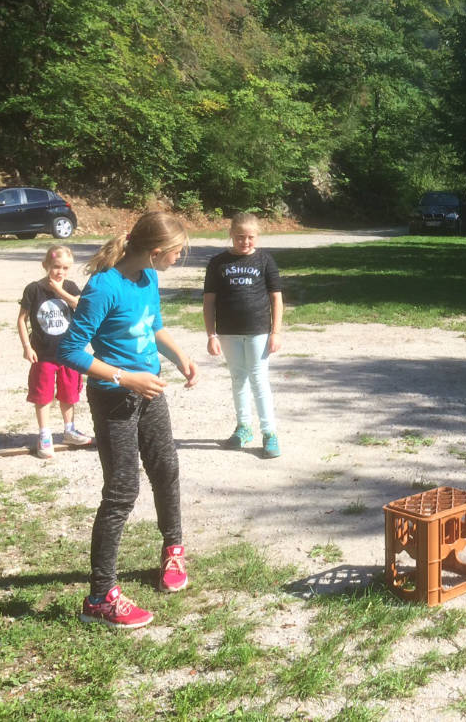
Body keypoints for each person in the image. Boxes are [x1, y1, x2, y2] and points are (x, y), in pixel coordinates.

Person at [58, 212, 198, 629]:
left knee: (166, 469)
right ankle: (99, 598)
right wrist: (124, 377)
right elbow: (70, 350)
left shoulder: (148, 277)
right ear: (155, 251)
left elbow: (154, 327)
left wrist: (180, 356)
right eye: (176, 252)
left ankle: (173, 550)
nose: (178, 258)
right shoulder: (104, 287)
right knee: (121, 492)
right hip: (114, 399)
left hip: (149, 392)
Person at [203, 213, 284, 457]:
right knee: (238, 378)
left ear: (257, 236)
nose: (245, 242)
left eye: (250, 237)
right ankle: (244, 427)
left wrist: (276, 332)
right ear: (231, 234)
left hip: (259, 331)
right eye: (240, 237)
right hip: (228, 332)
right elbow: (209, 302)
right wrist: (211, 335)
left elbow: (276, 298)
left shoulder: (265, 261)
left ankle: (269, 433)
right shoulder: (218, 263)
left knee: (259, 379)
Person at [17, 245, 93, 458]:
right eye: (56, 267)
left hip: (69, 353)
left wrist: (59, 291)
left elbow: (81, 306)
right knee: (43, 395)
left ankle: (69, 430)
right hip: (43, 354)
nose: (60, 272)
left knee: (69, 393)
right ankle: (44, 434)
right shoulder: (33, 289)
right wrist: (27, 347)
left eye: (65, 268)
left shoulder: (70, 286)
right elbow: (22, 319)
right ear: (46, 265)